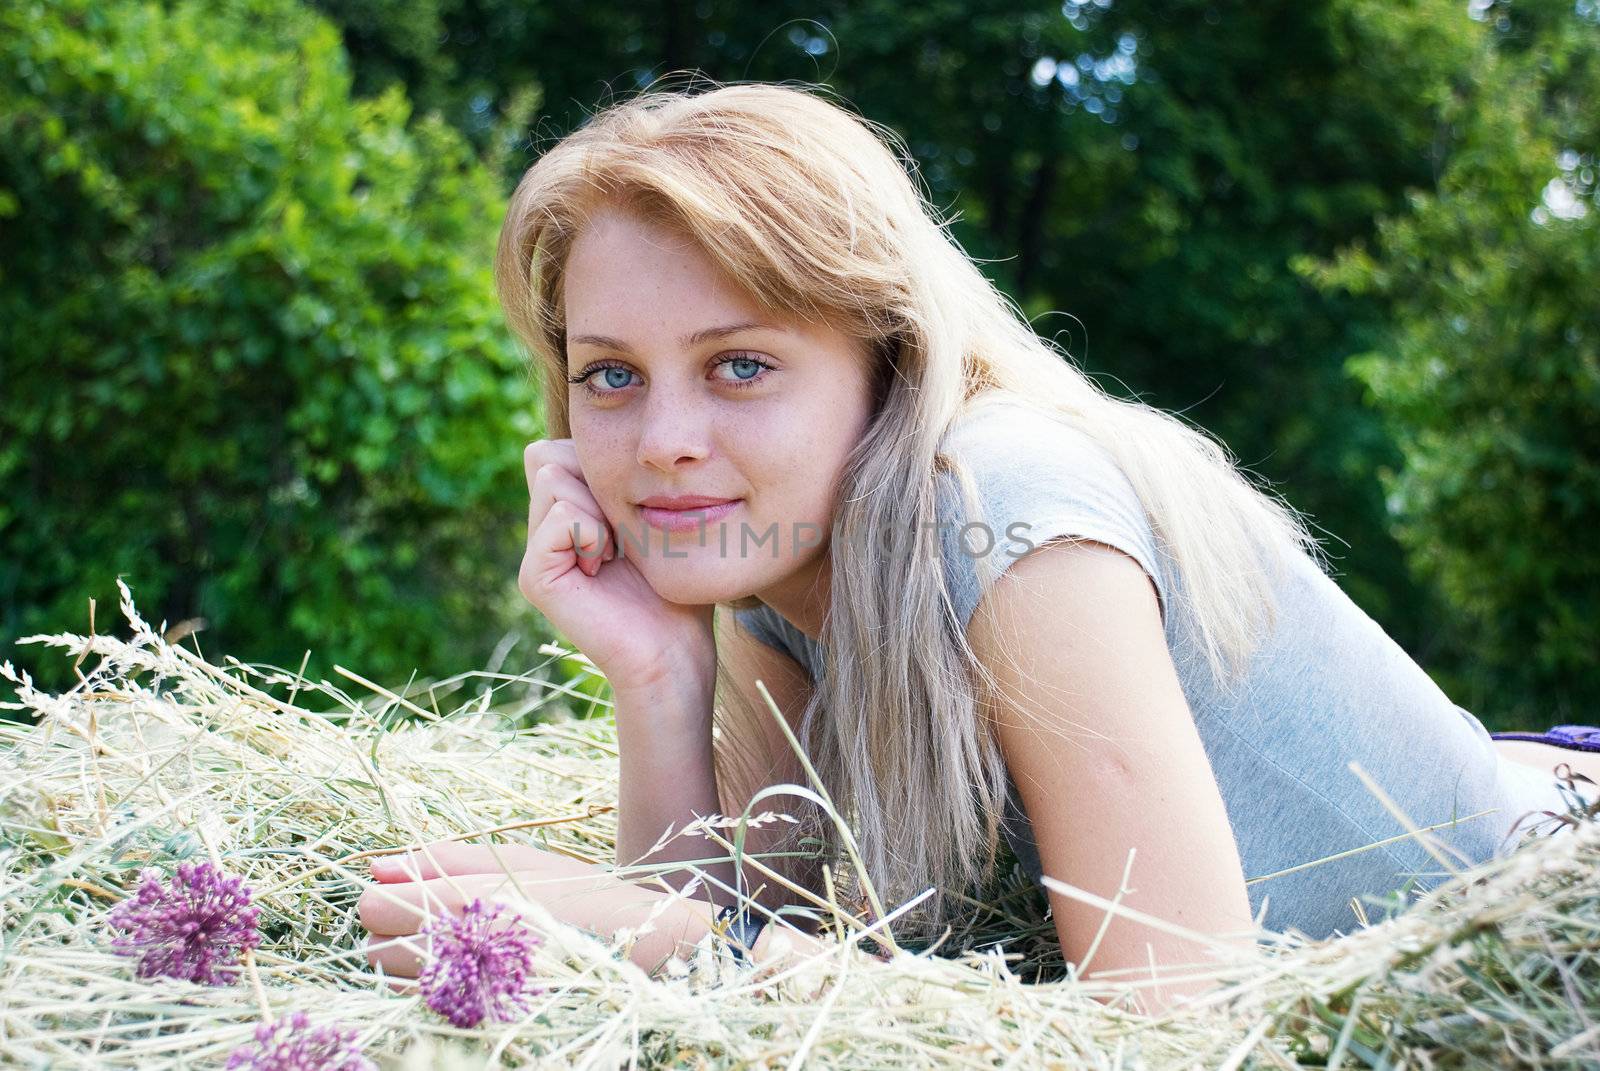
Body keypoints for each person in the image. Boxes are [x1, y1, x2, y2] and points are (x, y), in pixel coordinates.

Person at [357, 79, 1595, 1015]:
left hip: (1553, 911)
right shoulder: (782, 564)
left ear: (885, 359)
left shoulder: (999, 502)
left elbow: (1179, 1020)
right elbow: (732, 938)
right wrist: (656, 673)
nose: (664, 440)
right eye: (610, 376)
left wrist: (657, 941)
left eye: (741, 365)